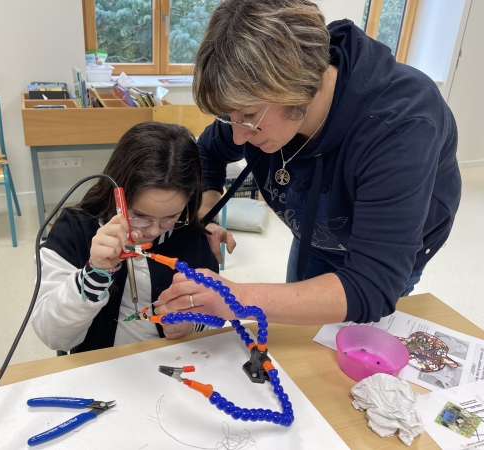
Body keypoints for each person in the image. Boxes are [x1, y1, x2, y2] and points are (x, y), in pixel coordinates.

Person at [154, 0, 461, 326]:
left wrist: (238, 298)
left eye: (248, 117)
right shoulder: (254, 103)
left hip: (386, 249)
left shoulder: (401, 124)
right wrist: (205, 215)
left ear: (297, 89)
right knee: (301, 335)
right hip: (317, 232)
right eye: (229, 118)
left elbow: (372, 286)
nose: (239, 137)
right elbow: (208, 153)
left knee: (348, 343)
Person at [32, 122, 218, 353]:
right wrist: (95, 273)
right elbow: (53, 336)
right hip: (99, 366)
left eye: (171, 216)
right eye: (140, 215)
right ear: (117, 197)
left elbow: (216, 314)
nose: (153, 230)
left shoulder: (191, 235)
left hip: (170, 362)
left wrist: (193, 324)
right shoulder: (74, 230)